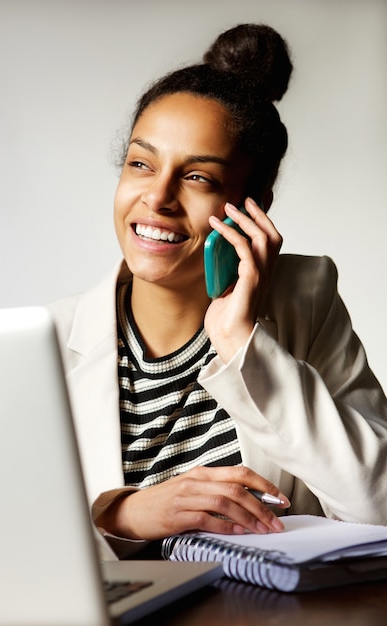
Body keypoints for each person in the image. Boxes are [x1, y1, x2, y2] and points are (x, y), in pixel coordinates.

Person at [49, 23, 387, 558]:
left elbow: (379, 507)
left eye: (198, 177)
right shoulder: (48, 337)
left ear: (254, 204)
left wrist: (240, 342)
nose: (157, 197)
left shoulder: (306, 297)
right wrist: (124, 513)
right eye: (141, 164)